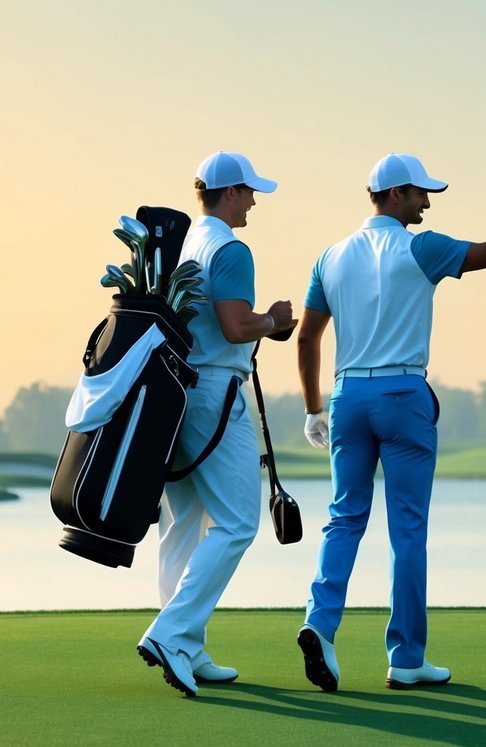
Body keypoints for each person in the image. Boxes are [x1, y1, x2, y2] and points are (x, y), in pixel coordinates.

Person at [295, 153, 486, 691]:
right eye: (419, 193)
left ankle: (319, 624)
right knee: (407, 530)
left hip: (347, 396)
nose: (427, 202)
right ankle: (407, 658)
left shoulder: (331, 256)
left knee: (344, 518)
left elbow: (306, 337)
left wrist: (313, 408)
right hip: (403, 392)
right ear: (395, 195)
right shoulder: (421, 246)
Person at [136, 151, 298, 697]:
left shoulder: (183, 245)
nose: (253, 201)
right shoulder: (230, 248)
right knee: (236, 524)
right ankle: (171, 634)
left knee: (184, 522)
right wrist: (275, 321)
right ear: (229, 193)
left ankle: (188, 644)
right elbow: (234, 327)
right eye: (249, 192)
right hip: (214, 395)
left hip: (176, 394)